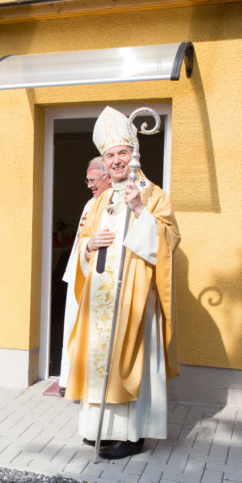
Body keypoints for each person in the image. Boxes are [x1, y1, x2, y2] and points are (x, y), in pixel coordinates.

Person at [64, 106, 180, 460]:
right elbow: (84, 242)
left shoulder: (153, 194)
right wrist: (89, 246)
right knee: (99, 360)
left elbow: (170, 240)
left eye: (122, 153)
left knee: (129, 361)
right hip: (100, 299)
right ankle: (98, 430)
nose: (116, 161)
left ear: (135, 154)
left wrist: (141, 211)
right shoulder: (101, 200)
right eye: (110, 155)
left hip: (135, 298)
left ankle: (132, 436)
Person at [58, 157, 111, 395]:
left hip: (101, 278)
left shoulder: (116, 204)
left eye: (93, 180)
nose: (90, 186)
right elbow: (82, 239)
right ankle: (67, 379)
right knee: (71, 326)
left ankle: (91, 382)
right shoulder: (90, 204)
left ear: (107, 177)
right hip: (79, 270)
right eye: (87, 180)